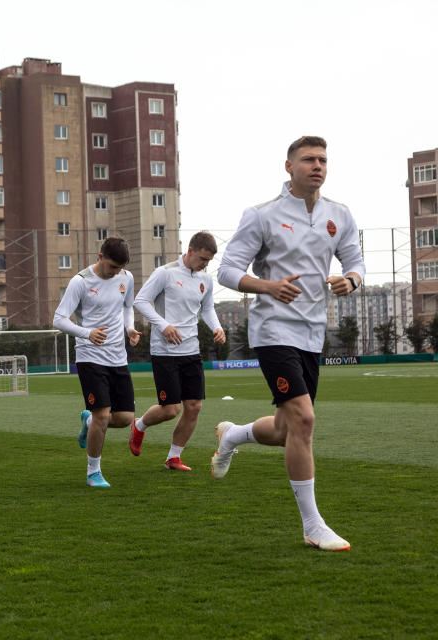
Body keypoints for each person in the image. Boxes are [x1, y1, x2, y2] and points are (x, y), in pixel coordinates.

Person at [214, 136, 365, 551]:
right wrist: (267, 286)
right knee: (304, 419)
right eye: (308, 159)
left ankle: (233, 435)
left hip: (312, 332)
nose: (317, 166)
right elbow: (226, 271)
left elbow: (356, 263)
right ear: (289, 166)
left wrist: (349, 281)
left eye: (322, 160)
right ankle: (312, 525)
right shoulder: (262, 215)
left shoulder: (340, 215)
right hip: (272, 330)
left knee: (286, 429)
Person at [131, 232, 226, 471]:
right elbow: (141, 301)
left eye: (209, 261)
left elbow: (207, 309)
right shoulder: (165, 273)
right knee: (170, 410)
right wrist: (164, 326)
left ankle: (173, 457)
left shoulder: (206, 280)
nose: (205, 264)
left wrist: (217, 327)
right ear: (190, 250)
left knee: (194, 406)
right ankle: (139, 425)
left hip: (191, 350)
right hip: (164, 352)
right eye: (203, 258)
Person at [53, 238, 140, 487]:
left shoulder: (127, 277)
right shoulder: (80, 281)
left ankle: (88, 421)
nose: (115, 272)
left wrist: (130, 329)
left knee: (124, 418)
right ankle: (94, 472)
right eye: (112, 266)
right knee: (103, 414)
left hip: (118, 356)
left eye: (119, 268)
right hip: (90, 356)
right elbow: (59, 319)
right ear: (100, 256)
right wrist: (87, 333)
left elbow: (127, 307)